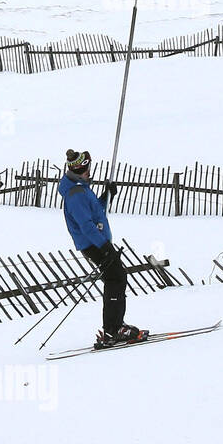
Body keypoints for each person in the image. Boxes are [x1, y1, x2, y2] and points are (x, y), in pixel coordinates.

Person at [58, 149, 146, 348]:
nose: (90, 171)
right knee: (116, 278)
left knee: (116, 278)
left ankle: (114, 326)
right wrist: (104, 247)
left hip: (97, 242)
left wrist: (107, 195)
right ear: (82, 169)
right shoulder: (76, 194)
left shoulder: (80, 188)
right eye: (88, 168)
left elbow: (96, 211)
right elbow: (86, 225)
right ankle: (113, 330)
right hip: (93, 244)